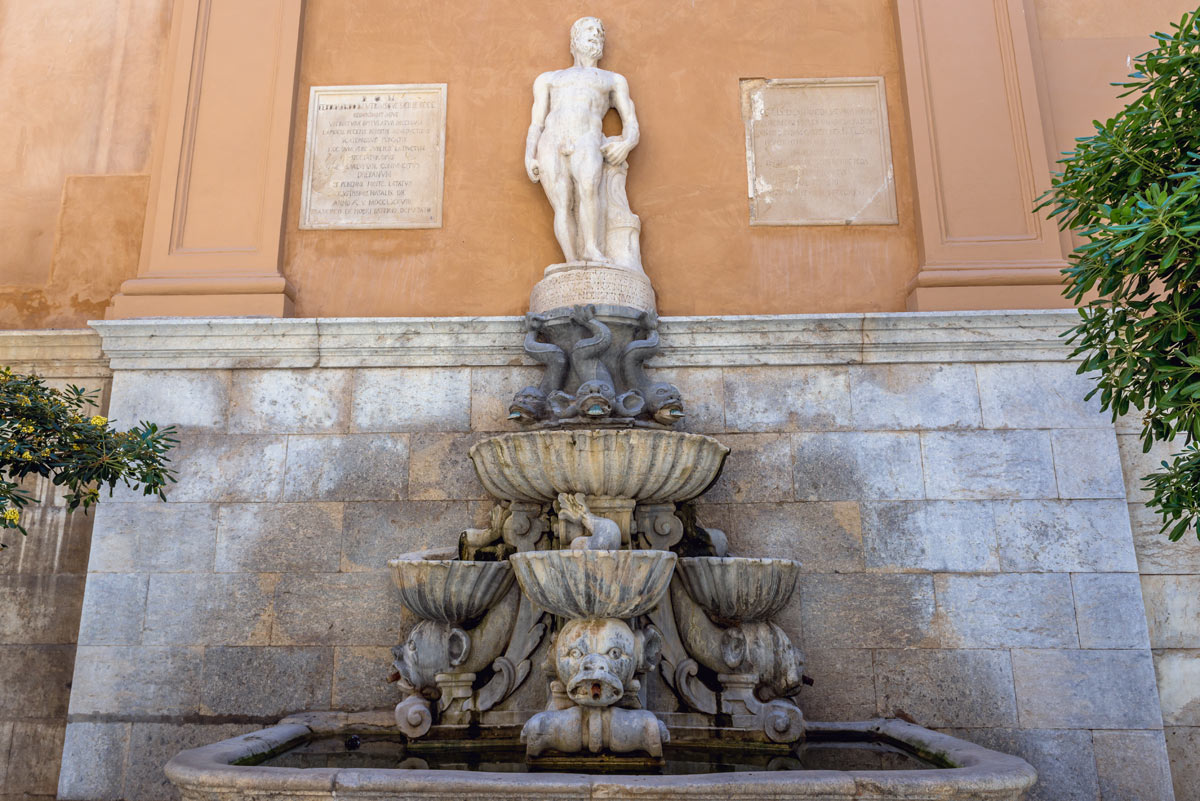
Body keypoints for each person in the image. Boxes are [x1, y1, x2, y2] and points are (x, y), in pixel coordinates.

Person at [525, 17, 640, 265]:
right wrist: (529, 154)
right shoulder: (549, 79)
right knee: (563, 205)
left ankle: (590, 249)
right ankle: (572, 262)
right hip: (551, 141)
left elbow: (631, 122)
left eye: (600, 31)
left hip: (587, 138)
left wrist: (626, 144)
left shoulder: (613, 80)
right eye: (590, 29)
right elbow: (537, 123)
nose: (596, 34)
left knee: (589, 191)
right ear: (574, 38)